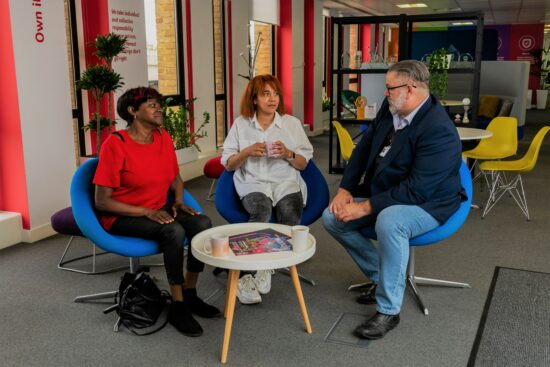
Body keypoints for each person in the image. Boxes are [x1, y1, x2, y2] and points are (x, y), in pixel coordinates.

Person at [322, 60, 463, 340]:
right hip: (385, 189)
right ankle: (380, 276)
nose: (385, 94)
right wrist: (345, 190)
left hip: (429, 201)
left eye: (389, 88)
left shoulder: (438, 129)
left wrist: (364, 206)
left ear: (410, 89)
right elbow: (363, 149)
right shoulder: (392, 108)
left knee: (391, 220)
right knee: (331, 217)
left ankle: (388, 310)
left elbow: (417, 190)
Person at [93, 87, 221, 338]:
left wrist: (178, 200)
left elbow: (176, 176)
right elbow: (102, 202)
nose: (159, 109)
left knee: (202, 223)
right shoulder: (115, 144)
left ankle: (190, 293)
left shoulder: (162, 136)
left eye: (159, 104)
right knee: (173, 230)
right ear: (132, 111)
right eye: (151, 105)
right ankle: (178, 305)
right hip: (122, 215)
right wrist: (146, 211)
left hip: (157, 207)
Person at [221, 74, 314, 304]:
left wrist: (287, 154)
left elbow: (303, 164)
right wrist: (247, 151)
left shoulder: (291, 124)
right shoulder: (241, 124)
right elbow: (229, 165)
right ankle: (246, 276)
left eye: (275, 94)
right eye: (266, 94)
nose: (272, 99)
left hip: (285, 182)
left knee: (291, 213)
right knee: (260, 210)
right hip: (253, 182)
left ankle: (265, 268)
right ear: (254, 99)